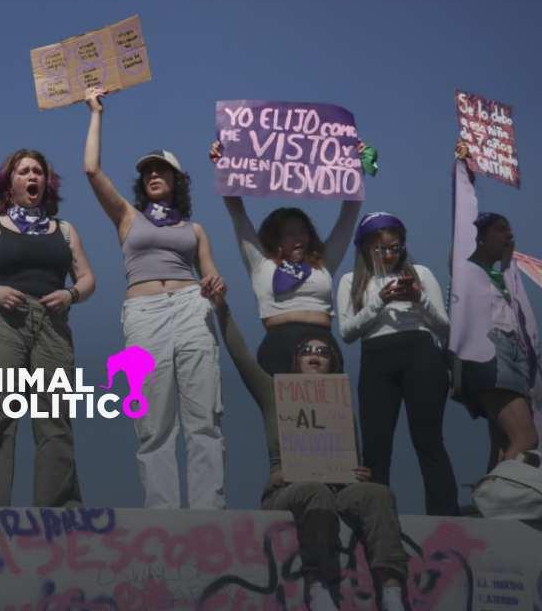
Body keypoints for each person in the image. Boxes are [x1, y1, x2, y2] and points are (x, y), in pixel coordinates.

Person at [209, 286, 408, 611]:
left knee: (378, 494)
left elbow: (346, 457)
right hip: (287, 489)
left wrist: (359, 472)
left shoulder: (340, 404)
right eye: (307, 350)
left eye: (324, 351)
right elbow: (241, 355)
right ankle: (318, 588)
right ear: (295, 361)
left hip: (339, 490)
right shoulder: (273, 393)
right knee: (315, 491)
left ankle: (392, 591)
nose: (315, 353)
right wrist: (221, 309)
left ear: (333, 363)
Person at [83, 87, 225, 509]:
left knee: (204, 416)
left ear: (178, 180)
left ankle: (208, 511)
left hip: (191, 308)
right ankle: (162, 513)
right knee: (152, 419)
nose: (154, 175)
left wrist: (216, 286)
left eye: (162, 170)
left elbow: (210, 273)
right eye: (148, 172)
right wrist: (95, 112)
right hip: (144, 313)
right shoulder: (129, 216)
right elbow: (91, 170)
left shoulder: (195, 229)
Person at [0, 149, 95, 507]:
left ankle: (59, 510)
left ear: (47, 183)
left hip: (52, 324)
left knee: (55, 418)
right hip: (2, 323)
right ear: (9, 183)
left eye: (38, 172)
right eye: (23, 171)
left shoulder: (65, 230)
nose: (31, 177)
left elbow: (88, 278)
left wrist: (71, 294)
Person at [337, 212, 459, 516]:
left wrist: (419, 299)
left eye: (395, 247)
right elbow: (348, 332)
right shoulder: (351, 280)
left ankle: (445, 516)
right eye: (380, 248)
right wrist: (380, 300)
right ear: (365, 247)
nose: (389, 255)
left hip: (421, 354)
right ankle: (375, 516)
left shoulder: (420, 273)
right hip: (377, 358)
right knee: (376, 445)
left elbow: (445, 327)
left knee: (428, 439)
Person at [208, 140, 365, 375]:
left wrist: (356, 166)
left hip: (323, 346)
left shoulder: (322, 265)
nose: (299, 237)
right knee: (284, 413)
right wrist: (224, 164)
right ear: (276, 240)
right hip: (278, 346)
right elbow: (237, 212)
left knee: (330, 413)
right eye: (290, 233)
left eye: (303, 231)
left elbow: (348, 217)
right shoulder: (261, 264)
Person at [449, 141, 540, 469]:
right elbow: (463, 218)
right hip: (489, 353)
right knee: (526, 438)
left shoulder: (507, 274)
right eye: (500, 230)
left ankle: (492, 509)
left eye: (510, 229)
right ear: (480, 238)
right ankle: (498, 497)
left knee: (503, 442)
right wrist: (462, 172)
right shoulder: (465, 268)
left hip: (512, 355)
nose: (509, 235)